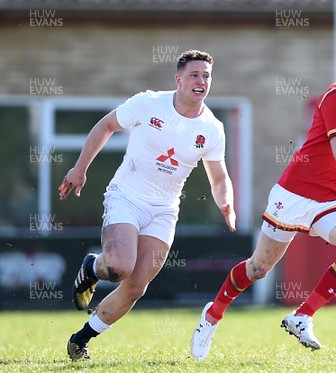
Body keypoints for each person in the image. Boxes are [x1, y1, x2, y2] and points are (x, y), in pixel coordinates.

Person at [190, 24, 336, 361]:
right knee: (259, 269)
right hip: (295, 193)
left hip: (333, 199)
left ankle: (302, 315)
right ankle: (212, 315)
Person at [58, 49, 236, 361]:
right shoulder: (148, 102)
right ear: (178, 79)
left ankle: (80, 340)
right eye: (194, 75)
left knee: (136, 286)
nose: (201, 81)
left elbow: (219, 178)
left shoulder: (212, 128)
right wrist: (80, 168)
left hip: (165, 210)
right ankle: (92, 267)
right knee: (118, 268)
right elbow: (106, 126)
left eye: (206, 76)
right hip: (126, 197)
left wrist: (227, 205)